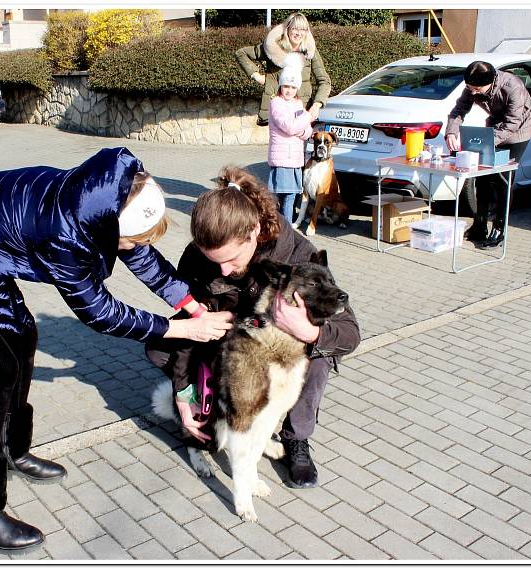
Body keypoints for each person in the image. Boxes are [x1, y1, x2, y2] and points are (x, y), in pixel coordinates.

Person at [0, 147, 232, 552]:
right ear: (107, 226)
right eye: (128, 240)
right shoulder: (66, 234)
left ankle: (13, 449)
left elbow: (140, 252)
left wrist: (187, 302)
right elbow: (100, 313)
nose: (133, 247)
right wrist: (179, 328)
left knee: (24, 337)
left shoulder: (110, 192)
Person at [145, 166, 360, 489]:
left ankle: (295, 437)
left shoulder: (297, 255)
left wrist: (309, 332)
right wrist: (184, 391)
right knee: (158, 348)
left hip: (279, 348)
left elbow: (350, 332)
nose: (224, 270)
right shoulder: (197, 257)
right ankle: (212, 413)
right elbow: (190, 328)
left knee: (316, 359)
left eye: (232, 259)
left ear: (254, 231)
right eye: (214, 261)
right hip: (232, 344)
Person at [445, 60, 531, 248]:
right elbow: (458, 110)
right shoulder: (471, 88)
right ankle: (479, 224)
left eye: (478, 89)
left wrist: (487, 142)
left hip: (518, 132)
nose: (473, 92)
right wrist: (451, 132)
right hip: (494, 127)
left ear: (492, 81)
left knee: (503, 179)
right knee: (482, 177)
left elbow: (512, 123)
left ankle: (500, 228)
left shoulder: (513, 87)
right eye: (470, 88)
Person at [235, 12, 331, 127]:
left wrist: (316, 105)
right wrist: (257, 76)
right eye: (295, 29)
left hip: (302, 112)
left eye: (303, 30)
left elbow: (324, 81)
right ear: (288, 29)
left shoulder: (310, 51)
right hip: (278, 112)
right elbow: (241, 53)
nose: (299, 33)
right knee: (279, 144)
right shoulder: (273, 47)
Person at [268, 61, 315, 225]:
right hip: (282, 158)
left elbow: (307, 130)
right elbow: (288, 126)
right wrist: (306, 118)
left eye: (293, 87)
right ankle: (279, 228)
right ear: (280, 85)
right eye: (286, 86)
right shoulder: (276, 103)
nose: (289, 90)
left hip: (295, 158)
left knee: (291, 196)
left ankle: (284, 229)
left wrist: (300, 129)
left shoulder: (298, 104)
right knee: (280, 196)